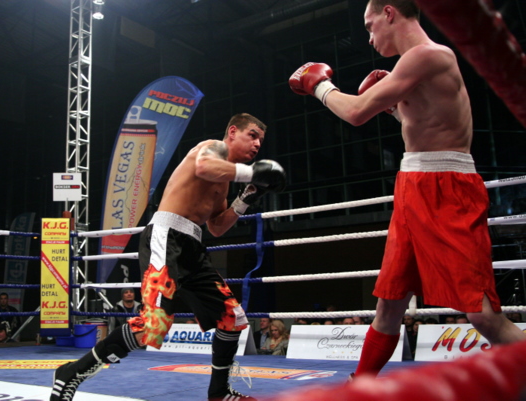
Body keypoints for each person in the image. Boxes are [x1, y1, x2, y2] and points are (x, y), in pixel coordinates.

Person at [288, 0, 526, 379]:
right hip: (412, 186)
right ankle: (361, 387)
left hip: (446, 189)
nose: (369, 38)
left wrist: (320, 86)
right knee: (390, 304)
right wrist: (397, 110)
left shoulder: (428, 55)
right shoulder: (414, 66)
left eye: (369, 26)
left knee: (482, 315)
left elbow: (356, 112)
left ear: (389, 13)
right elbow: (427, 124)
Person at [50, 113, 285, 401]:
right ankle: (72, 372)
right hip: (166, 237)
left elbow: (216, 227)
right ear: (233, 131)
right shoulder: (212, 148)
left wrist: (245, 198)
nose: (258, 144)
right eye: (253, 135)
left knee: (232, 317)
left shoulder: (225, 181)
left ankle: (219, 392)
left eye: (261, 140)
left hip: (193, 249)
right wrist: (251, 174)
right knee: (153, 324)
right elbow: (204, 166)